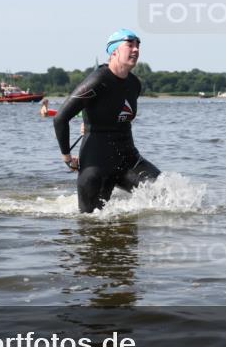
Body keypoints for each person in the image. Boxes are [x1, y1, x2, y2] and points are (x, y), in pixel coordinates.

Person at [53, 29, 160, 213]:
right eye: (130, 44)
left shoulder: (134, 84)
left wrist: (93, 120)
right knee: (92, 221)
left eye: (138, 45)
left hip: (129, 160)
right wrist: (67, 158)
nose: (136, 49)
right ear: (114, 51)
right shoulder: (98, 80)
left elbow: (114, 112)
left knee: (165, 192)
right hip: (96, 164)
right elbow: (60, 118)